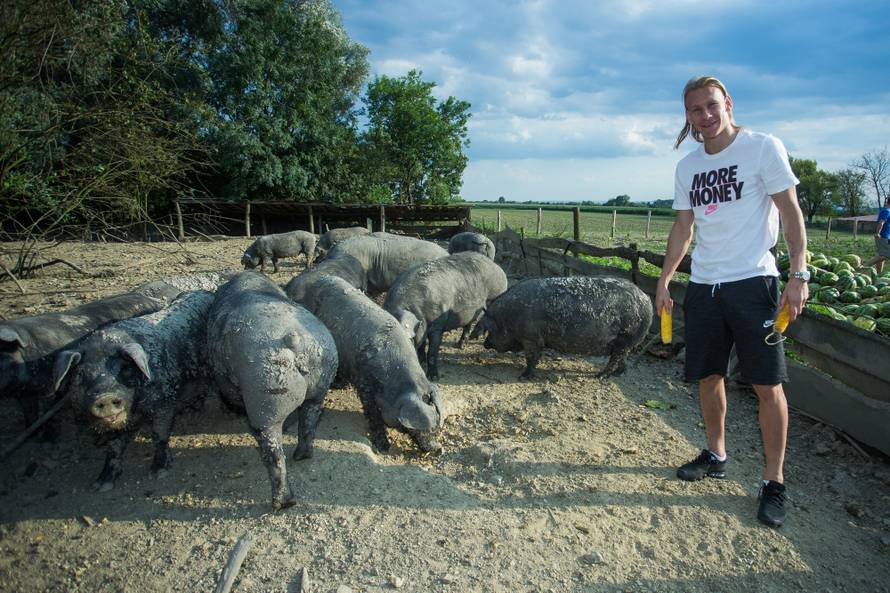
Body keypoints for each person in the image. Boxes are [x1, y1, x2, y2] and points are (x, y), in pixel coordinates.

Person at [655, 76, 809, 528]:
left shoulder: (762, 147)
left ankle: (773, 482)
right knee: (708, 375)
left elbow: (790, 211)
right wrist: (665, 279)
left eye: (711, 106)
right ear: (687, 116)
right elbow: (684, 228)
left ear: (728, 104)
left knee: (767, 385)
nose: (704, 116)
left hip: (753, 283)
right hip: (705, 286)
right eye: (694, 110)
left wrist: (799, 274)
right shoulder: (687, 168)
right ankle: (716, 453)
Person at [863, 196, 890, 273]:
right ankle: (865, 266)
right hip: (883, 236)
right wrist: (878, 233)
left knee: (882, 255)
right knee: (885, 255)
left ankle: (879, 273)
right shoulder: (886, 211)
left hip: (886, 236)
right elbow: (881, 222)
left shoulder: (886, 211)